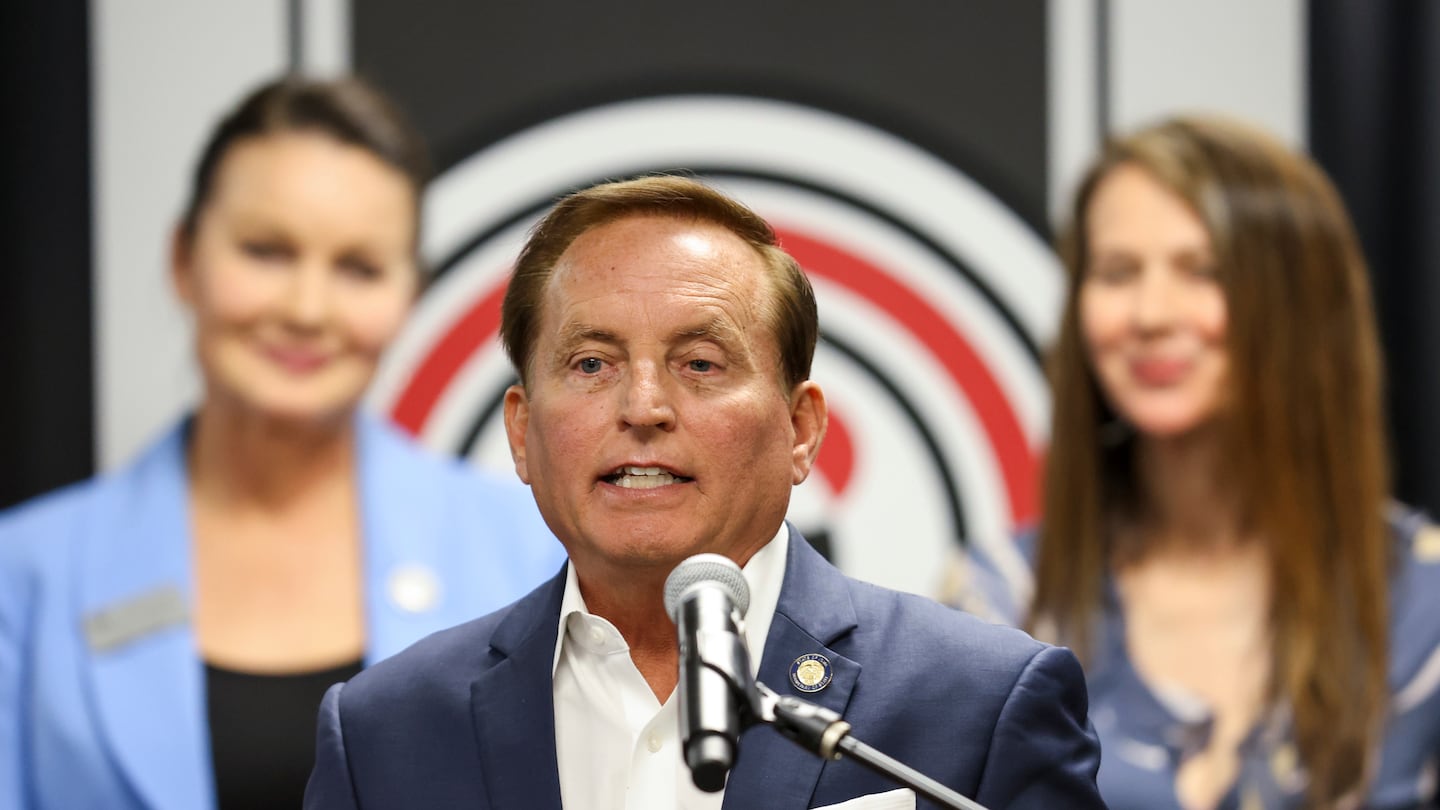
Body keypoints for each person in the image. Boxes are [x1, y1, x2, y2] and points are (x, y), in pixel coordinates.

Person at [304, 175, 1105, 809]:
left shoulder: (980, 703)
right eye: (591, 364)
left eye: (700, 363)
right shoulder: (386, 732)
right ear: (521, 432)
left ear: (800, 429)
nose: (644, 407)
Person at [0, 75, 565, 809]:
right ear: (184, 259)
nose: (306, 308)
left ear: (408, 296)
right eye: (266, 251)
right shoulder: (23, 577)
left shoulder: (534, 550)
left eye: (358, 268)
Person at [981, 115, 1440, 808]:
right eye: (1116, 272)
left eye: (1205, 271)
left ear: (1302, 304)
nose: (1151, 313)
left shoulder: (1423, 604)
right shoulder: (1002, 600)